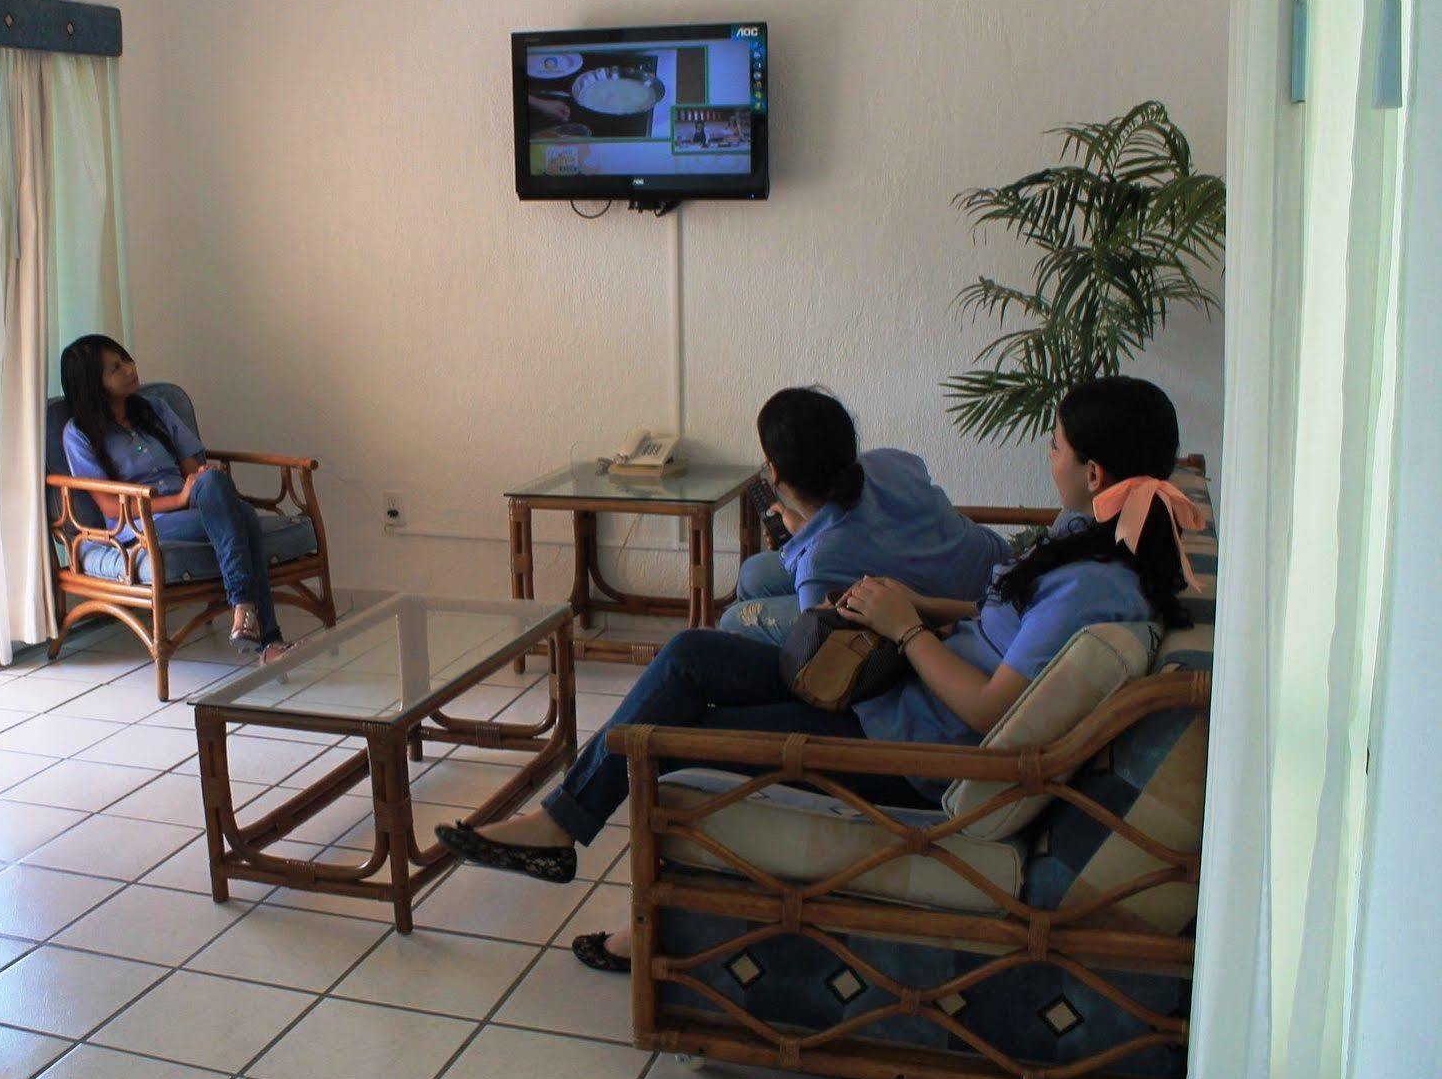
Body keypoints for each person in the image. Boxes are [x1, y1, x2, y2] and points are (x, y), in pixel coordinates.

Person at [437, 376, 1203, 974]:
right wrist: (903, 606)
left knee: (674, 737)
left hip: (913, 747)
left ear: (1093, 469)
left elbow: (985, 713)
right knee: (689, 654)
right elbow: (995, 615)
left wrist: (904, 627)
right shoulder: (1095, 540)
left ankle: (655, 926)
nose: (1050, 455)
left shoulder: (1091, 585)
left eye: (1055, 446)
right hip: (900, 685)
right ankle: (560, 828)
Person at [59, 334, 290, 663]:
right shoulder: (79, 434)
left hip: (191, 504)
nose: (129, 369)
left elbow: (191, 469)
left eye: (126, 359)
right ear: (93, 384)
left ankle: (249, 615)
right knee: (245, 516)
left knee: (212, 480)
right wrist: (181, 498)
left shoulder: (154, 408)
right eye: (115, 368)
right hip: (138, 524)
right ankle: (264, 632)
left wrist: (197, 482)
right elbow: (111, 507)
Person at [718, 388, 1011, 646]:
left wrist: (814, 540)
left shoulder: (819, 563)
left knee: (733, 619)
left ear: (776, 472)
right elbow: (868, 531)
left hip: (968, 613)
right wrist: (809, 530)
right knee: (753, 573)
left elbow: (815, 644)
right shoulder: (888, 461)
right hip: (998, 564)